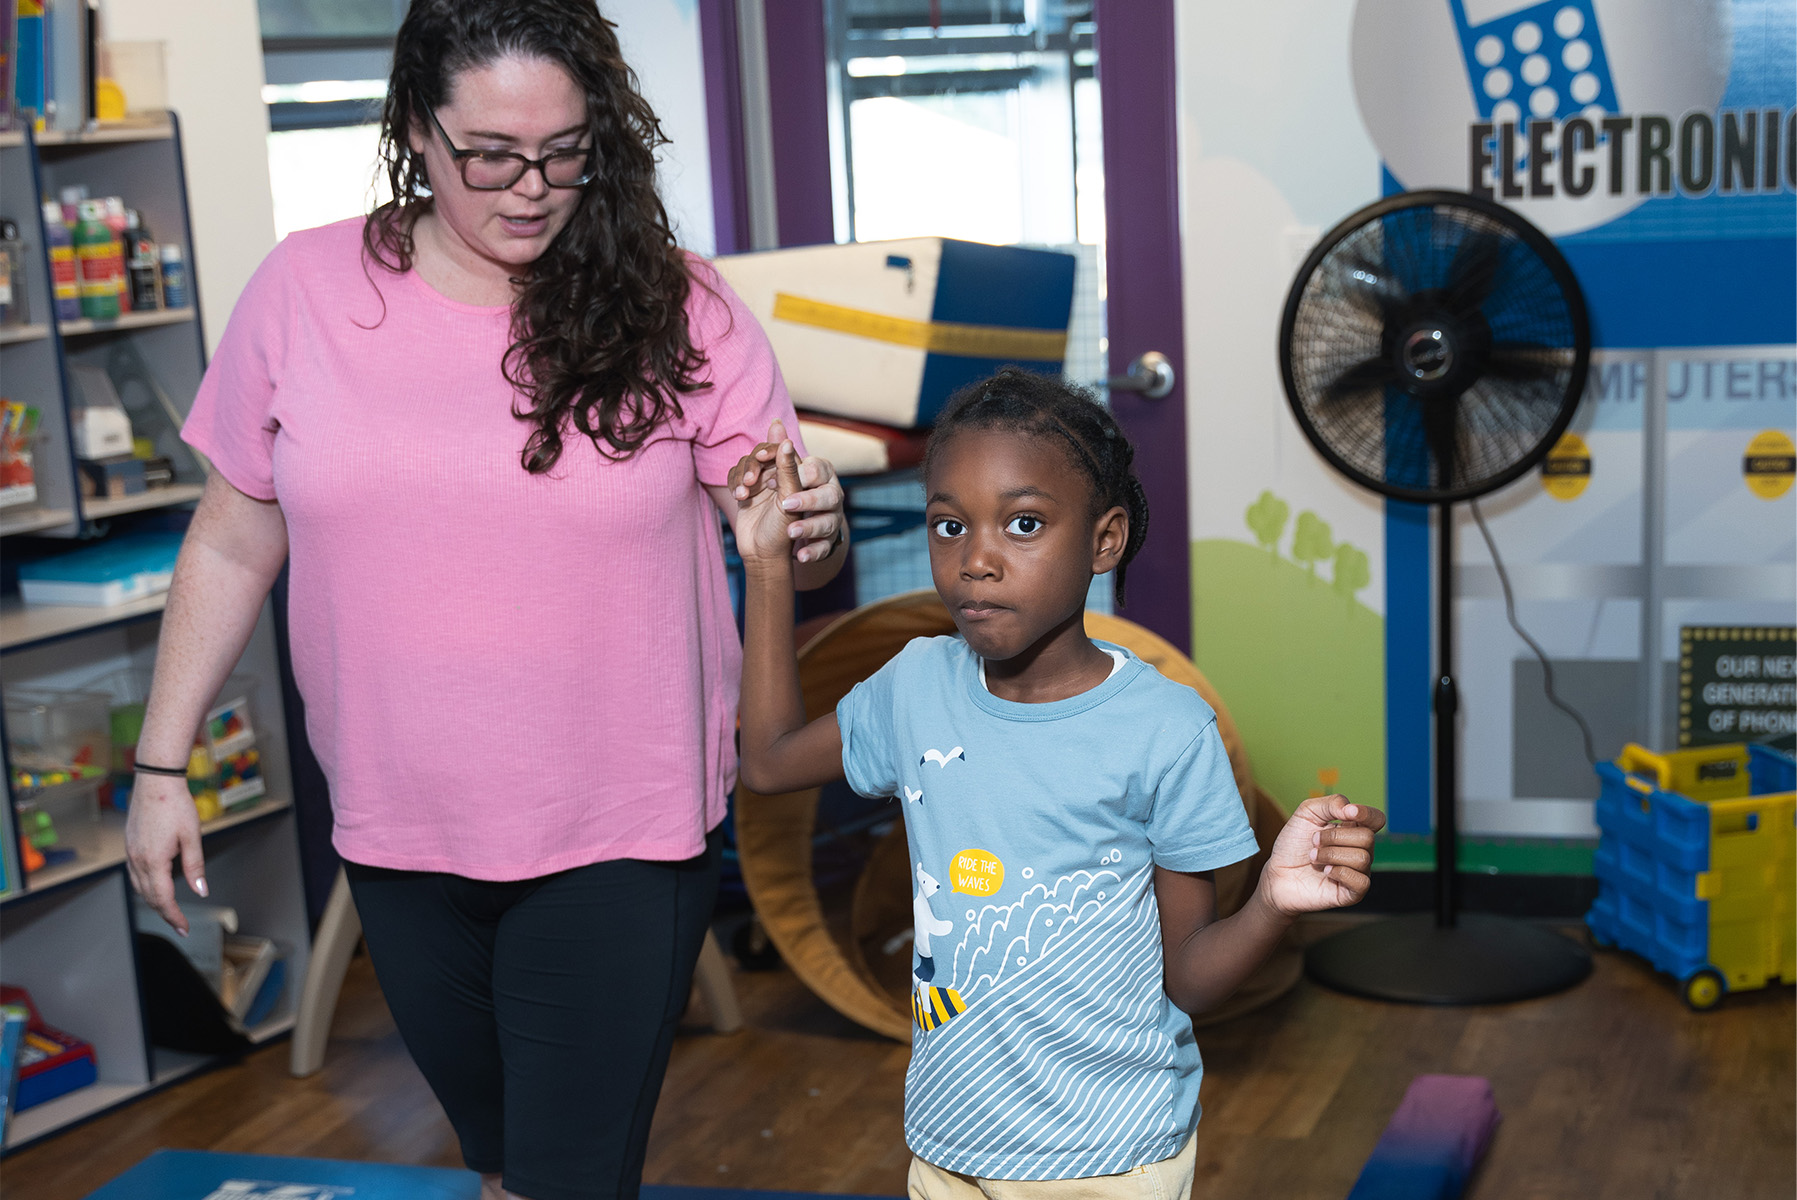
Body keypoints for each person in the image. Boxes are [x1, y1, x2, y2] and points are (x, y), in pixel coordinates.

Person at [123, 4, 845, 1199]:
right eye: (492, 156)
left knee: (566, 1178)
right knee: (503, 1165)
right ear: (415, 128)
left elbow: (784, 544)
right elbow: (235, 534)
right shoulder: (304, 289)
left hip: (622, 824)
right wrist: (160, 770)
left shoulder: (678, 303)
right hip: (399, 827)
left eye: (569, 152)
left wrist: (802, 535)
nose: (534, 188)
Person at [730, 367, 1384, 1197]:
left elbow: (1191, 978)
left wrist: (1269, 905)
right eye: (947, 525)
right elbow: (770, 760)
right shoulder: (916, 686)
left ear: (1103, 541)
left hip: (1110, 1156)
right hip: (948, 1144)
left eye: (1024, 523)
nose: (975, 560)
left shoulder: (1166, 730)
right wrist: (766, 568)